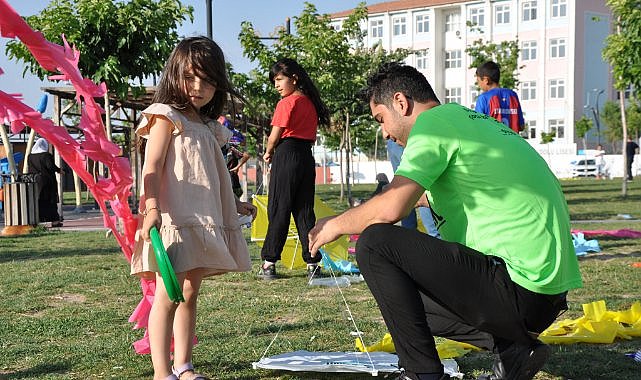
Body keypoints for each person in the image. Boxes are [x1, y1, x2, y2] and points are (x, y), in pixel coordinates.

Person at [308, 62, 582, 380]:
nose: (385, 132)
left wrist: (335, 224)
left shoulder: (433, 126)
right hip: (543, 296)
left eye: (381, 119)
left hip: (518, 288)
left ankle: (422, 373)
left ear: (401, 102)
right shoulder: (469, 122)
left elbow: (391, 208)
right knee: (400, 299)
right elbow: (419, 197)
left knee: (375, 243)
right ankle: (514, 348)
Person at [130, 36, 257, 380]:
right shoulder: (165, 116)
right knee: (168, 294)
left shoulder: (207, 127)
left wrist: (234, 205)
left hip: (203, 221)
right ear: (174, 75)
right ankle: (161, 372)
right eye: (190, 78)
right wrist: (151, 207)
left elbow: (212, 176)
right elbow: (152, 167)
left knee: (189, 292)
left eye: (208, 80)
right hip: (172, 220)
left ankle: (184, 365)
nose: (199, 87)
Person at [258, 58, 330, 280]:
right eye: (274, 81)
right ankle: (313, 264)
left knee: (279, 207)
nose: (277, 85)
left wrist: (269, 151)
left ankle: (269, 263)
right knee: (304, 211)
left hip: (287, 153)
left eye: (279, 79)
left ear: (294, 78)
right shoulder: (310, 103)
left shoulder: (286, 103)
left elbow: (275, 134)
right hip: (306, 157)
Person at [387, 139, 440, 238]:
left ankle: (410, 240)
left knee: (404, 189)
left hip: (397, 143)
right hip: (408, 138)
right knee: (420, 188)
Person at [475, 61, 525, 134]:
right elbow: (521, 126)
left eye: (478, 81)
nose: (478, 84)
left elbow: (478, 126)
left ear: (486, 80)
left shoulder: (483, 98)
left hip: (493, 144)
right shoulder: (513, 95)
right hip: (513, 144)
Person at [27, 137, 63, 227]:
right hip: (47, 180)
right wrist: (59, 170)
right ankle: (53, 220)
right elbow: (50, 166)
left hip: (35, 180)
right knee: (50, 199)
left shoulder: (30, 156)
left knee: (39, 199)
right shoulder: (46, 155)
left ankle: (39, 218)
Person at [224, 129, 250, 198]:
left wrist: (236, 168)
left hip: (232, 180)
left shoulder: (231, 148)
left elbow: (246, 155)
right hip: (224, 179)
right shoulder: (221, 148)